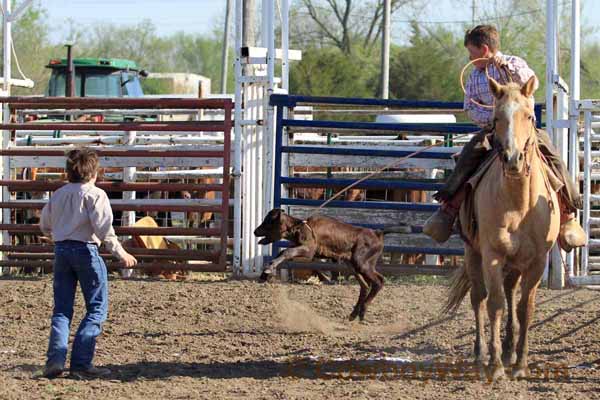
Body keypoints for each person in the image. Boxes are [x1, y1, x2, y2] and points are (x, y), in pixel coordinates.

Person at [423, 24, 586, 251]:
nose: (470, 57)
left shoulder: (514, 63)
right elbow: (469, 107)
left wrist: (506, 66)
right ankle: (448, 209)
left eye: (471, 52)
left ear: (485, 49)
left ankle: (568, 214)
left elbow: (532, 82)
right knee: (469, 156)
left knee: (552, 157)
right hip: (493, 131)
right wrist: (491, 119)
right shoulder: (474, 76)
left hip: (523, 130)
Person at [41, 147, 137, 379]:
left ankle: (55, 360)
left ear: (67, 172)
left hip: (62, 251)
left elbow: (45, 223)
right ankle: (81, 363)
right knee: (96, 308)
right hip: (86, 250)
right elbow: (104, 229)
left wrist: (56, 233)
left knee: (62, 310)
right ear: (95, 173)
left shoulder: (59, 193)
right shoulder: (96, 194)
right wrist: (120, 252)